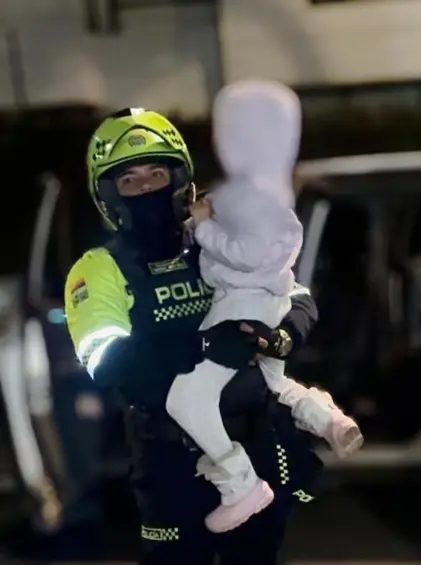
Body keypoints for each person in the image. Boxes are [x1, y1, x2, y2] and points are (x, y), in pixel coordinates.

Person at [64, 107, 323, 565]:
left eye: (157, 173)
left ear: (181, 179)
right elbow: (106, 361)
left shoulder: (215, 237)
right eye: (130, 180)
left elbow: (295, 295)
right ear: (109, 195)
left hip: (257, 444)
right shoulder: (97, 268)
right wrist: (204, 346)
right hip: (172, 460)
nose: (146, 187)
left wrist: (281, 338)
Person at [165, 80, 362, 533]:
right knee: (274, 383)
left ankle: (240, 485)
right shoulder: (273, 191)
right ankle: (328, 419)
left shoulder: (249, 197)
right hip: (267, 303)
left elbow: (247, 255)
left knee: (187, 398)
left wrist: (203, 227)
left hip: (241, 311)